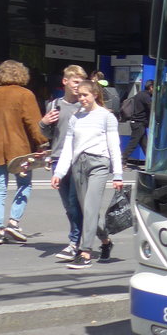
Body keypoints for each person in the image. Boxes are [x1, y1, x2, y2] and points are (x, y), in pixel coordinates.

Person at [0, 60, 49, 245]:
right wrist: (42, 144)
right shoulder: (25, 94)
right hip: (19, 149)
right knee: (24, 184)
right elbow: (34, 123)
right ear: (22, 74)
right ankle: (13, 223)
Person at [51, 80, 124, 269]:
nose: (81, 99)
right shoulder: (76, 117)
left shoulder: (107, 117)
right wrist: (59, 172)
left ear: (95, 95)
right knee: (88, 211)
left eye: (85, 95)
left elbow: (114, 147)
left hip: (99, 164)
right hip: (78, 164)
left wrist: (118, 174)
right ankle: (106, 242)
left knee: (90, 207)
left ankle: (85, 252)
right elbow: (68, 147)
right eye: (79, 95)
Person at [40, 65, 88, 261]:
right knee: (69, 206)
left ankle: (75, 242)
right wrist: (43, 123)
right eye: (75, 82)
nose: (78, 87)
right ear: (65, 82)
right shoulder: (54, 105)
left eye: (81, 82)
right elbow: (50, 134)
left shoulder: (86, 105)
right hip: (58, 158)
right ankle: (93, 236)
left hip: (80, 159)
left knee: (76, 203)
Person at [121, 79, 153, 164]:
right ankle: (122, 161)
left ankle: (151, 163)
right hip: (139, 123)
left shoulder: (139, 94)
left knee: (145, 145)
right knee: (133, 144)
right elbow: (152, 109)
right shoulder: (146, 97)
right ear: (151, 87)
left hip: (137, 123)